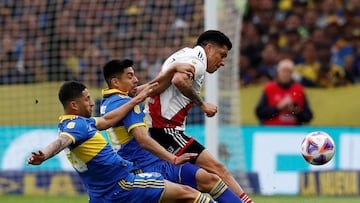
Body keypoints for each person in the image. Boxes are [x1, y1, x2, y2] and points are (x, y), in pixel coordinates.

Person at [27, 81, 216, 203]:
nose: (92, 103)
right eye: (87, 99)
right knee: (189, 194)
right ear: (74, 105)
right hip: (123, 186)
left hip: (98, 196)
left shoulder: (80, 123)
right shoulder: (75, 127)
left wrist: (135, 100)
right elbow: (61, 142)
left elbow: (108, 120)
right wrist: (45, 154)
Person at [100, 59, 243, 203]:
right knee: (191, 195)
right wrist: (173, 158)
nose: (136, 80)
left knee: (208, 179)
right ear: (116, 82)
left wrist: (173, 68)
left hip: (155, 162)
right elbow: (143, 139)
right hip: (144, 168)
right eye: (130, 76)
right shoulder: (126, 103)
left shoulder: (110, 101)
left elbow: (152, 86)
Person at [144, 30, 254, 203]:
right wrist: (202, 105)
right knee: (218, 169)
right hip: (165, 130)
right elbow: (179, 80)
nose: (223, 62)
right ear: (209, 48)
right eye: (222, 55)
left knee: (204, 180)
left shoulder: (184, 54)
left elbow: (162, 83)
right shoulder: (198, 60)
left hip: (159, 129)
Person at [255, 59, 313, 125]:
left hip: (293, 131)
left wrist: (295, 111)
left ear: (292, 74)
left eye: (289, 72)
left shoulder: (299, 90)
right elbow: (259, 113)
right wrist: (278, 107)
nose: (285, 74)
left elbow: (308, 117)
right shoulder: (269, 88)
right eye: (283, 71)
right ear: (278, 72)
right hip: (271, 130)